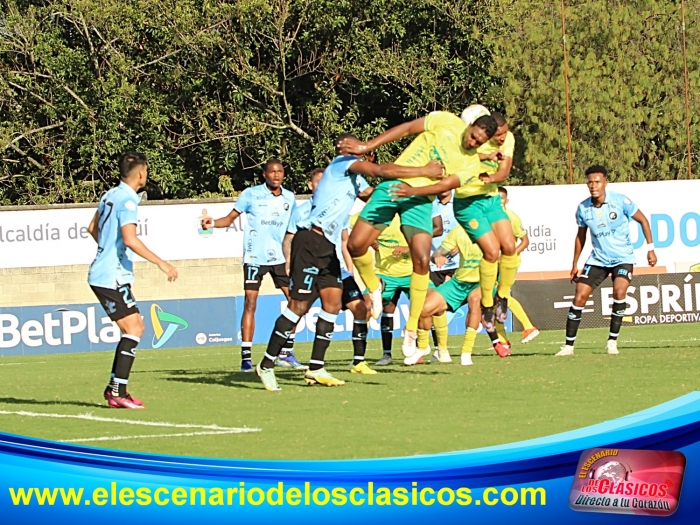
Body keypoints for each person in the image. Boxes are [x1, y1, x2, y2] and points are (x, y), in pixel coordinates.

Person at [255, 135, 444, 391]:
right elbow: (381, 171)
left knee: (332, 304)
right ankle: (266, 364)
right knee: (298, 307)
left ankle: (316, 367)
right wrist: (424, 171)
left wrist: (414, 192)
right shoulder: (343, 163)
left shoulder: (356, 178)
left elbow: (375, 195)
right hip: (310, 239)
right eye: (357, 147)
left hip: (327, 248)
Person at [339, 112, 496, 360]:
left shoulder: (471, 164)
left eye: (478, 143)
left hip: (419, 199)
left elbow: (444, 186)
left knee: (421, 259)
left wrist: (414, 190)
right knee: (357, 245)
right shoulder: (446, 121)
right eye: (473, 136)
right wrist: (367, 146)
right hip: (394, 186)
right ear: (470, 126)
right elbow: (406, 128)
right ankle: (374, 288)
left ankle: (411, 329)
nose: (472, 143)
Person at [387, 112, 518, 340]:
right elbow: (458, 162)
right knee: (492, 251)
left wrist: (491, 177)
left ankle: (502, 297)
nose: (503, 139)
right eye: (498, 135)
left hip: (491, 200)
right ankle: (486, 305)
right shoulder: (465, 140)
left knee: (509, 247)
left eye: (505, 134)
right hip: (469, 204)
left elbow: (504, 171)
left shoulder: (505, 140)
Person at [87, 152, 178, 409]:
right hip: (111, 276)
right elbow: (130, 239)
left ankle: (117, 388)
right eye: (146, 172)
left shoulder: (109, 195)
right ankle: (118, 391)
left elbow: (92, 228)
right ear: (141, 173)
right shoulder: (127, 200)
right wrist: (161, 262)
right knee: (134, 329)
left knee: (134, 327)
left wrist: (107, 252)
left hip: (105, 273)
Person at [203, 159, 298, 372]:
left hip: (279, 260)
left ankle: (285, 353)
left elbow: (291, 233)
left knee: (296, 303)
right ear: (264, 174)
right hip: (255, 258)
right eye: (272, 172)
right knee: (250, 304)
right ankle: (246, 358)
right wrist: (213, 223)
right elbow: (229, 219)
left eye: (280, 172)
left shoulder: (289, 198)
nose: (276, 175)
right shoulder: (251, 194)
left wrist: (290, 259)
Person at [556, 165, 656, 356]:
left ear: (605, 183)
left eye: (597, 182)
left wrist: (650, 249)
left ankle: (612, 341)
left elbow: (643, 220)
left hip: (623, 257)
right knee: (580, 295)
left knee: (619, 291)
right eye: (590, 182)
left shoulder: (620, 201)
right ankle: (568, 346)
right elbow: (580, 236)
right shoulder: (583, 208)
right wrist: (575, 264)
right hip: (598, 259)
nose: (593, 185)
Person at [285, 169, 376, 375]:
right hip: (310, 267)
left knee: (361, 308)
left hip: (336, 269)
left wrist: (350, 270)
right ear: (310, 185)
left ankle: (358, 361)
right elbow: (291, 240)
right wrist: (290, 264)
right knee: (297, 310)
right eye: (317, 183)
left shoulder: (337, 208)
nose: (322, 187)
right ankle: (284, 351)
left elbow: (344, 242)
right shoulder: (301, 211)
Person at [408, 224, 510, 366]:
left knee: (475, 301)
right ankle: (423, 347)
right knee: (424, 309)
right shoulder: (458, 231)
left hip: (483, 281)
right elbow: (435, 255)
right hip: (458, 282)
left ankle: (466, 353)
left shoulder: (494, 230)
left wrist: (501, 285)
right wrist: (439, 257)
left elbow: (508, 255)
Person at [494, 187, 539, 346]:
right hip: (493, 263)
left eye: (501, 198)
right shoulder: (488, 215)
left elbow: (525, 241)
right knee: (494, 299)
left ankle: (528, 327)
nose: (498, 201)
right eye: (495, 197)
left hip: (507, 263)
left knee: (502, 296)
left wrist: (509, 255)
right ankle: (502, 341)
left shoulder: (511, 217)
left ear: (507, 200)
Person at [428, 190, 459, 359]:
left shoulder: (460, 203)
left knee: (478, 302)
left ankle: (499, 340)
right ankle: (440, 349)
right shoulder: (431, 203)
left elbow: (468, 231)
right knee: (435, 308)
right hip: (435, 265)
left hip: (459, 264)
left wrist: (454, 251)